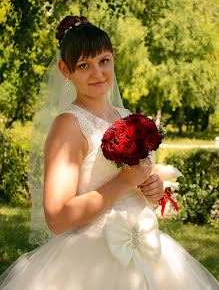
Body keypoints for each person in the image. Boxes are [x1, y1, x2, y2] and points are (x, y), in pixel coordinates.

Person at [0, 15, 218, 290]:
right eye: (84, 65)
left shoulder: (126, 116)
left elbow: (135, 182)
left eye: (103, 60)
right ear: (65, 70)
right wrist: (125, 181)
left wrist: (151, 187)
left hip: (147, 247)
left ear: (113, 57)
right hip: (92, 259)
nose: (98, 73)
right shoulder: (69, 124)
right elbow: (57, 218)